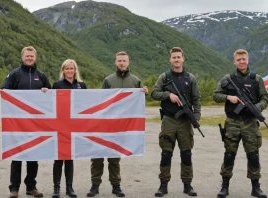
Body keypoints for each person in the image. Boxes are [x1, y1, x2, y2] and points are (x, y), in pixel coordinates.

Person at [87, 51, 148, 197]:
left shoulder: (135, 81)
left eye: (124, 61)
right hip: (105, 126)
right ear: (115, 62)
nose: (122, 63)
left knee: (114, 158)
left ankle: (116, 186)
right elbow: (101, 102)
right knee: (97, 157)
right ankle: (95, 186)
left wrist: (144, 92)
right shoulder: (108, 80)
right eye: (119, 60)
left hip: (120, 128)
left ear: (128, 62)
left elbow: (139, 102)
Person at [213, 49, 268, 198]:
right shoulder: (228, 78)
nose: (241, 62)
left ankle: (255, 188)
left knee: (253, 155)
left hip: (250, 123)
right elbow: (216, 95)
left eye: (244, 59)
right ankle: (225, 187)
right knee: (229, 154)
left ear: (248, 60)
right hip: (232, 122)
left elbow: (265, 98)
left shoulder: (256, 79)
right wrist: (228, 97)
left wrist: (258, 107)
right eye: (239, 60)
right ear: (234, 62)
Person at [0, 46, 51, 198]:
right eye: (27, 56)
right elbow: (4, 90)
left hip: (36, 124)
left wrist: (47, 91)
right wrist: (1, 91)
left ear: (35, 57)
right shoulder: (14, 74)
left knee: (33, 156)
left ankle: (31, 187)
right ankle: (14, 188)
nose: (29, 58)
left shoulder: (41, 75)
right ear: (22, 57)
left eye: (31, 56)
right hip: (18, 124)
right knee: (17, 157)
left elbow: (51, 97)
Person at [151, 47, 201, 197]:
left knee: (186, 153)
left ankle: (187, 185)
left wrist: (196, 116)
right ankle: (163, 185)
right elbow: (154, 93)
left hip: (185, 121)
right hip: (169, 120)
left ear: (183, 59)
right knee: (166, 153)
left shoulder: (190, 78)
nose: (176, 60)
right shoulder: (164, 77)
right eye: (174, 57)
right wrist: (168, 95)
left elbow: (197, 99)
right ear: (170, 60)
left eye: (179, 57)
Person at [51, 59, 87, 198]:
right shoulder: (57, 84)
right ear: (63, 70)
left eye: (72, 68)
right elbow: (51, 103)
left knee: (70, 158)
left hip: (74, 127)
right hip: (59, 126)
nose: (70, 71)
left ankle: (69, 188)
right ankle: (56, 188)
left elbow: (87, 103)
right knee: (58, 159)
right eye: (67, 69)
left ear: (75, 70)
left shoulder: (81, 85)